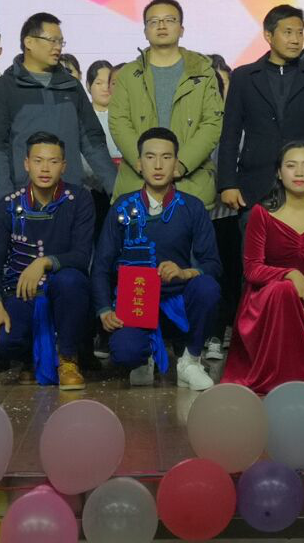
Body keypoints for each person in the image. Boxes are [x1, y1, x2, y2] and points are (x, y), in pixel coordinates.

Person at [93, 128, 223, 389]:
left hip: (178, 303)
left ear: (176, 164)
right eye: (150, 157)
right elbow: (101, 265)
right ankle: (144, 357)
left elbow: (213, 265)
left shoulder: (193, 207)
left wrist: (185, 272)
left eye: (166, 157)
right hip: (136, 302)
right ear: (139, 164)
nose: (158, 165)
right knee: (125, 352)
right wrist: (104, 309)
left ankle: (190, 361)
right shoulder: (122, 207)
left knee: (207, 287)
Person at [223, 141, 304, 392]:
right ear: (279, 173)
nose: (299, 173)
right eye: (291, 166)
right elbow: (252, 270)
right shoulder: (261, 213)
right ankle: (277, 377)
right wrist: (290, 274)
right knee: (284, 290)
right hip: (266, 299)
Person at [0, 133, 97, 389]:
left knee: (71, 280)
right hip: (22, 294)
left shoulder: (79, 199)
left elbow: (81, 255)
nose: (45, 168)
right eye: (38, 161)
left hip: (66, 294)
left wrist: (44, 262)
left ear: (63, 166)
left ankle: (68, 358)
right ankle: (29, 358)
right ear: (26, 164)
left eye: (53, 162)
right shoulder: (9, 205)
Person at [217, 5, 304, 212]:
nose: (295, 40)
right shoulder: (243, 77)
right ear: (268, 35)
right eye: (288, 32)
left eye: (300, 33)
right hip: (254, 184)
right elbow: (230, 134)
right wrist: (227, 183)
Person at [0, 12, 115, 202]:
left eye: (61, 42)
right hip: (24, 197)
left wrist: (116, 191)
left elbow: (93, 143)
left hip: (69, 195)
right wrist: (3, 202)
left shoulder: (72, 86)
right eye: (52, 40)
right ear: (29, 42)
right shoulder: (5, 87)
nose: (58, 47)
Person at [107, 0, 224, 204]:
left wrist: (182, 163)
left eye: (169, 20)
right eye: (154, 21)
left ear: (181, 29)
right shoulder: (128, 74)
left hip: (190, 184)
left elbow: (212, 123)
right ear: (145, 31)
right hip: (137, 183)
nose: (161, 26)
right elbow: (118, 122)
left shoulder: (203, 72)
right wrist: (143, 161)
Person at [86, 60, 120, 167]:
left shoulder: (126, 116)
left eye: (109, 83)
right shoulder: (81, 117)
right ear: (88, 85)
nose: (105, 88)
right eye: (99, 83)